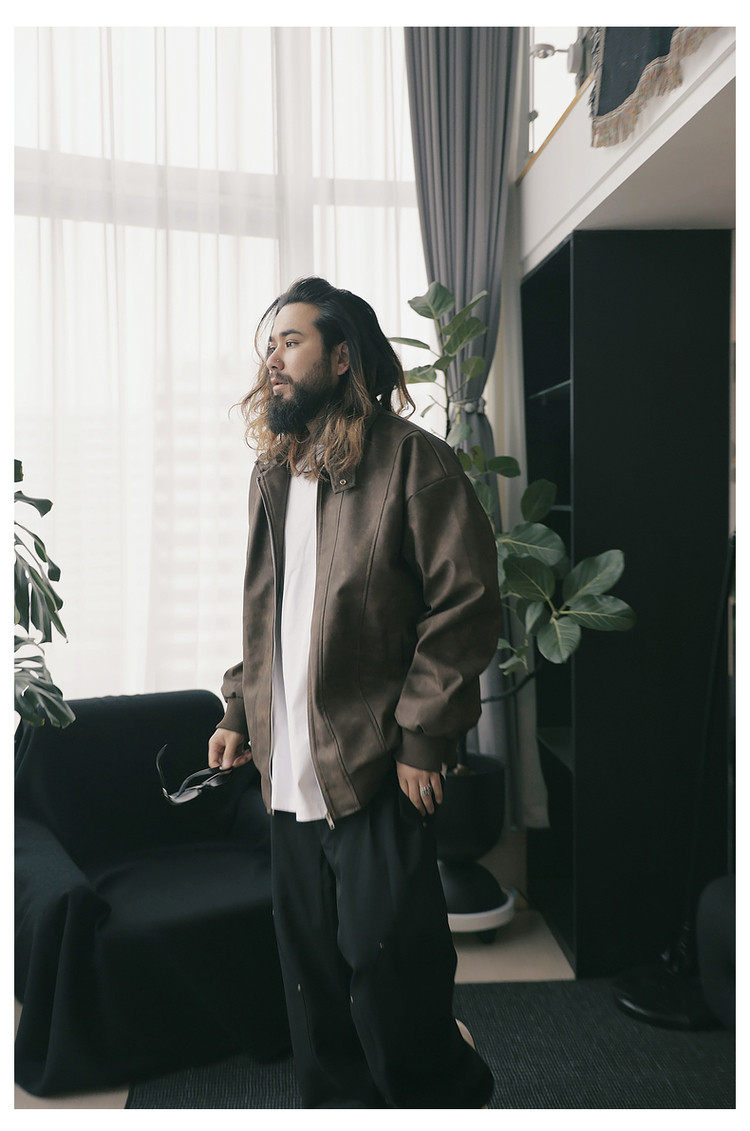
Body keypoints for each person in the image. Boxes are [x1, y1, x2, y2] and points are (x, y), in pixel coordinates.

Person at [208, 276, 501, 1109]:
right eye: (270, 344)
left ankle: (445, 1096)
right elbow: (266, 611)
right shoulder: (273, 474)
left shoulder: (413, 461)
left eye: (291, 341)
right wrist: (239, 708)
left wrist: (423, 738)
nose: (273, 359)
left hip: (374, 765)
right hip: (287, 775)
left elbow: (466, 602)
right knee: (315, 988)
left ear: (341, 359)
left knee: (392, 969)